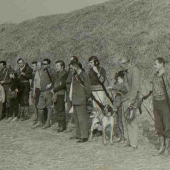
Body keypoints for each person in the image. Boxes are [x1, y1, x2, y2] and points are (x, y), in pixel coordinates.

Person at [118, 57, 141, 149]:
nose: (121, 67)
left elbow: (135, 88)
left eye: (121, 65)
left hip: (131, 99)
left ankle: (134, 143)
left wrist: (131, 102)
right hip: (125, 98)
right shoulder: (125, 72)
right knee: (125, 120)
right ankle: (127, 140)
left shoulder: (135, 71)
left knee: (131, 121)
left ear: (126, 63)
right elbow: (126, 87)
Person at [149, 58, 170, 156]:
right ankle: (161, 147)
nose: (154, 66)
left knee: (167, 126)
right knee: (159, 126)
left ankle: (167, 149)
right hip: (155, 102)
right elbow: (152, 90)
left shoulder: (167, 75)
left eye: (155, 64)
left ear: (162, 64)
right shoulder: (154, 76)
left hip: (165, 103)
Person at [69, 60, 92, 143]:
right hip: (75, 99)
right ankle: (78, 134)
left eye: (71, 68)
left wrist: (86, 97)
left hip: (81, 99)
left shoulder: (84, 75)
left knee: (82, 119)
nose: (70, 70)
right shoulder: (75, 75)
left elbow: (88, 88)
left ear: (76, 67)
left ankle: (84, 136)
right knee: (77, 119)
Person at [35, 58, 56, 129]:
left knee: (49, 107)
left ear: (48, 64)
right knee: (39, 107)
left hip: (48, 92)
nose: (43, 65)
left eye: (45, 64)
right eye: (43, 64)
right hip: (42, 91)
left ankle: (48, 122)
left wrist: (51, 84)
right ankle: (40, 121)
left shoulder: (51, 70)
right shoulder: (42, 70)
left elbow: (55, 79)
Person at [51, 60, 68, 132]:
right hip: (55, 94)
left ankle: (62, 125)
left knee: (61, 109)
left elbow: (63, 84)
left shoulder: (65, 74)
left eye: (58, 66)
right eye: (56, 66)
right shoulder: (57, 73)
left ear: (62, 66)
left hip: (61, 93)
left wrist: (54, 90)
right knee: (57, 109)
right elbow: (54, 82)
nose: (56, 67)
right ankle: (59, 123)